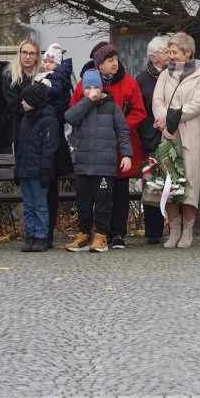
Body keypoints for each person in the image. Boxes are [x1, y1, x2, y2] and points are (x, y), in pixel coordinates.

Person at [69, 42, 146, 249]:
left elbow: (139, 111)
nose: (115, 63)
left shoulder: (128, 82)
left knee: (119, 191)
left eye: (115, 59)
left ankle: (118, 233)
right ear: (98, 64)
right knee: (90, 194)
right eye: (109, 60)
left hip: (120, 145)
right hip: (91, 148)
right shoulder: (86, 84)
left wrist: (117, 125)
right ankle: (96, 233)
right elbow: (73, 112)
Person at [152, 32, 200, 248]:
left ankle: (188, 232)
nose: (170, 56)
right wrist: (163, 123)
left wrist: (169, 117)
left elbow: (196, 105)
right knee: (168, 182)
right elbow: (157, 100)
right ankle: (174, 231)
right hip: (167, 133)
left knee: (189, 183)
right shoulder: (165, 75)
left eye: (174, 52)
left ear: (188, 53)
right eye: (169, 52)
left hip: (189, 134)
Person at [64, 69, 133, 253]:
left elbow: (122, 132)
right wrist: (87, 101)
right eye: (88, 88)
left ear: (101, 88)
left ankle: (102, 235)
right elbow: (69, 117)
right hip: (84, 164)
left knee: (103, 202)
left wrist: (126, 155)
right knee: (83, 201)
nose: (92, 91)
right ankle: (84, 235)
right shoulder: (81, 105)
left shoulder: (112, 107)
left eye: (96, 87)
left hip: (104, 165)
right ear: (83, 89)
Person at [15, 82, 60, 252]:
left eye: (24, 100)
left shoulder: (48, 120)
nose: (21, 103)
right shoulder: (25, 119)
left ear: (33, 100)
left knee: (41, 205)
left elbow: (48, 149)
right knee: (28, 206)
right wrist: (17, 170)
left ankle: (42, 236)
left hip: (39, 171)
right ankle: (30, 235)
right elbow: (20, 147)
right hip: (25, 170)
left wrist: (45, 172)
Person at [134, 36, 169, 244]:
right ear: (153, 57)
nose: (170, 56)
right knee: (153, 185)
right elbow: (140, 111)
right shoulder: (142, 79)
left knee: (176, 184)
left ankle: (176, 228)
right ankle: (154, 233)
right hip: (152, 140)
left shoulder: (174, 74)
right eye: (166, 52)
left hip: (173, 138)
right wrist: (152, 130)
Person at [39, 42, 74, 248]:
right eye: (45, 61)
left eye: (50, 61)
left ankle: (47, 231)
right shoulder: (50, 78)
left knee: (50, 186)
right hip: (44, 138)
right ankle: (43, 230)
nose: (47, 64)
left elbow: (53, 95)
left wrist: (37, 90)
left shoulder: (58, 79)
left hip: (53, 139)